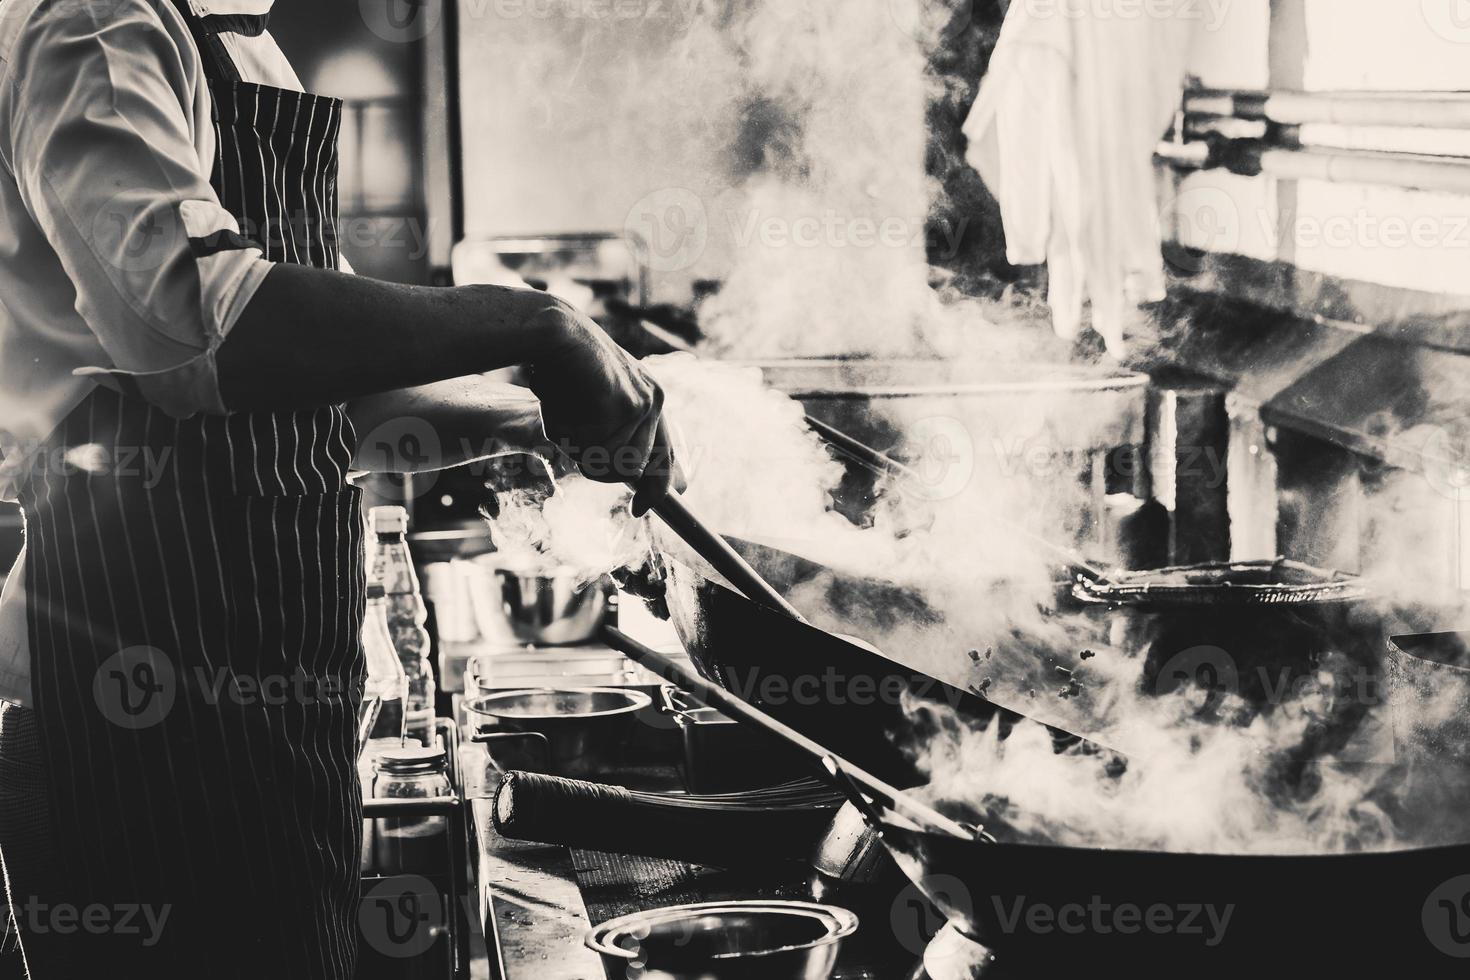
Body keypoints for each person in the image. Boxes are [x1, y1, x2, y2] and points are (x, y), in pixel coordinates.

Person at [0, 1, 677, 975]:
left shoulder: (240, 42)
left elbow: (331, 389)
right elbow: (199, 326)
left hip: (277, 701)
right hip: (136, 706)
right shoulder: (99, 24)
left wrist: (542, 428)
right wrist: (539, 326)